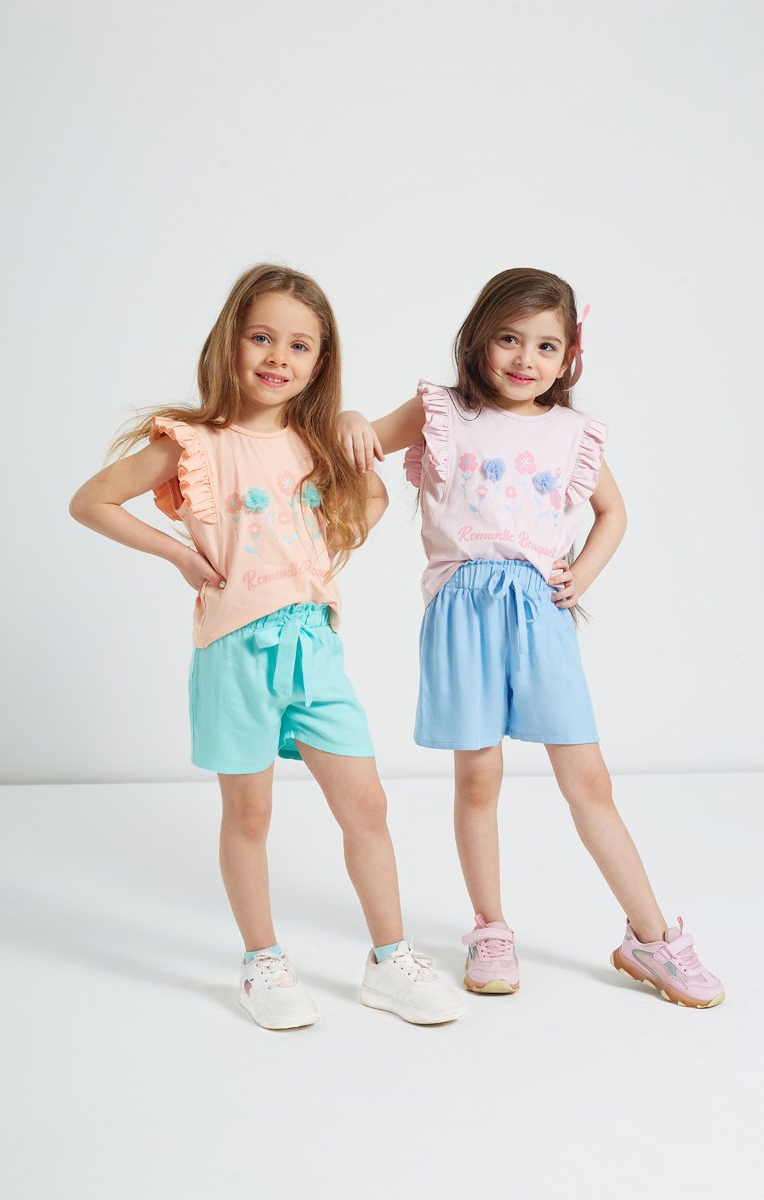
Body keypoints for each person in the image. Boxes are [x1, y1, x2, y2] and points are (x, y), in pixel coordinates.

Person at [69, 264, 465, 1030]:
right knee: (248, 815)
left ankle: (390, 960)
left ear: (320, 361)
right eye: (261, 337)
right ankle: (263, 961)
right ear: (231, 342)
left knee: (367, 805)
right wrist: (180, 556)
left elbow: (373, 492)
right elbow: (91, 500)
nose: (278, 356)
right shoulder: (193, 443)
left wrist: (339, 504)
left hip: (314, 646)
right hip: (234, 650)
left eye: (299, 345)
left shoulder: (317, 443)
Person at [338, 267, 724, 1009]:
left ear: (569, 354)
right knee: (478, 777)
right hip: (461, 609)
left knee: (589, 781)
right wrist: (353, 416)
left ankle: (651, 937)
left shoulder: (572, 433)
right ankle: (490, 929)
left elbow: (613, 512)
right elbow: (359, 443)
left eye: (546, 345)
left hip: (538, 613)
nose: (525, 358)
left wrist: (583, 575)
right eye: (509, 339)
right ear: (479, 339)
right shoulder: (443, 410)